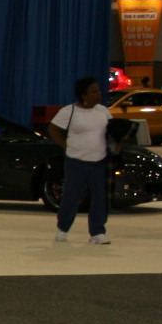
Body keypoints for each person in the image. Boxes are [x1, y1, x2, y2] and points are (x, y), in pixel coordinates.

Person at [48, 76, 115, 244]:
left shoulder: (103, 111)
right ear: (83, 95)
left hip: (99, 162)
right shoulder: (69, 111)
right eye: (93, 92)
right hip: (76, 162)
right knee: (72, 197)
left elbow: (112, 132)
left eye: (99, 91)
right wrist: (66, 145)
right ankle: (63, 228)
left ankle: (97, 232)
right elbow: (53, 129)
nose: (98, 94)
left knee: (100, 197)